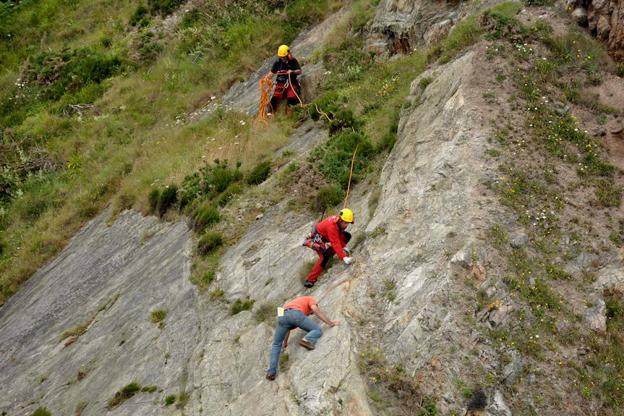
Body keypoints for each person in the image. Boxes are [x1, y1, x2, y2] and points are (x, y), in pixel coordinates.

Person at [266, 295, 339, 381]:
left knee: (276, 344)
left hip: (282, 316)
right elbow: (315, 310)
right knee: (317, 330)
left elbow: (287, 329)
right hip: (295, 314)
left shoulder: (291, 303)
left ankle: (271, 372)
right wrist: (330, 323)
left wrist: (285, 343)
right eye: (310, 313)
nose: (309, 314)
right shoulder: (310, 298)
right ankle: (307, 339)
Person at [302, 208, 354, 288]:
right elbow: (335, 242)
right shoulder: (332, 227)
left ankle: (333, 252)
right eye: (346, 223)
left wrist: (343, 248)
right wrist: (344, 257)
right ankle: (310, 280)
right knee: (324, 257)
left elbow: (339, 234)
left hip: (325, 235)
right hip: (317, 238)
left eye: (348, 223)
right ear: (341, 220)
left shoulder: (338, 222)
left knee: (346, 236)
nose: (347, 225)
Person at [266, 44, 302, 114]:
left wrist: (292, 72)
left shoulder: (293, 61)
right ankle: (270, 114)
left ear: (288, 54)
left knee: (291, 98)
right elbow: (272, 73)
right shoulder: (277, 62)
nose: (282, 58)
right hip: (280, 84)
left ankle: (290, 114)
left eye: (284, 57)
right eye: (281, 57)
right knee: (274, 99)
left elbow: (299, 71)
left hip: (291, 83)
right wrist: (267, 78)